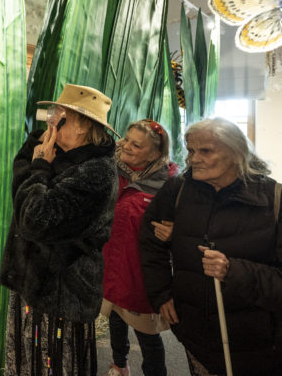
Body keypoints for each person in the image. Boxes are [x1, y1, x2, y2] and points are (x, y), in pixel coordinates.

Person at [139, 117, 282, 376]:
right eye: (191, 150)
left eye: (206, 151)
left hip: (269, 351)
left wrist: (234, 272)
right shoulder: (177, 189)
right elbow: (150, 240)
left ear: (237, 153)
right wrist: (161, 293)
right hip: (197, 339)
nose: (193, 159)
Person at [1, 84, 119, 376]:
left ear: (82, 126)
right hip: (36, 283)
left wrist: (40, 165)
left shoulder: (96, 172)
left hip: (62, 293)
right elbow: (21, 192)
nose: (51, 119)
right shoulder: (62, 154)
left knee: (52, 362)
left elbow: (34, 219)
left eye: (60, 115)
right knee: (28, 358)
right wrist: (36, 150)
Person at [102, 119, 178, 376]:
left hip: (142, 273)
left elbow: (183, 227)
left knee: (147, 333)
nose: (126, 146)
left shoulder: (169, 185)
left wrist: (174, 232)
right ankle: (119, 365)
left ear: (155, 154)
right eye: (127, 139)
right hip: (113, 264)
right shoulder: (111, 169)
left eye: (137, 145)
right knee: (115, 319)